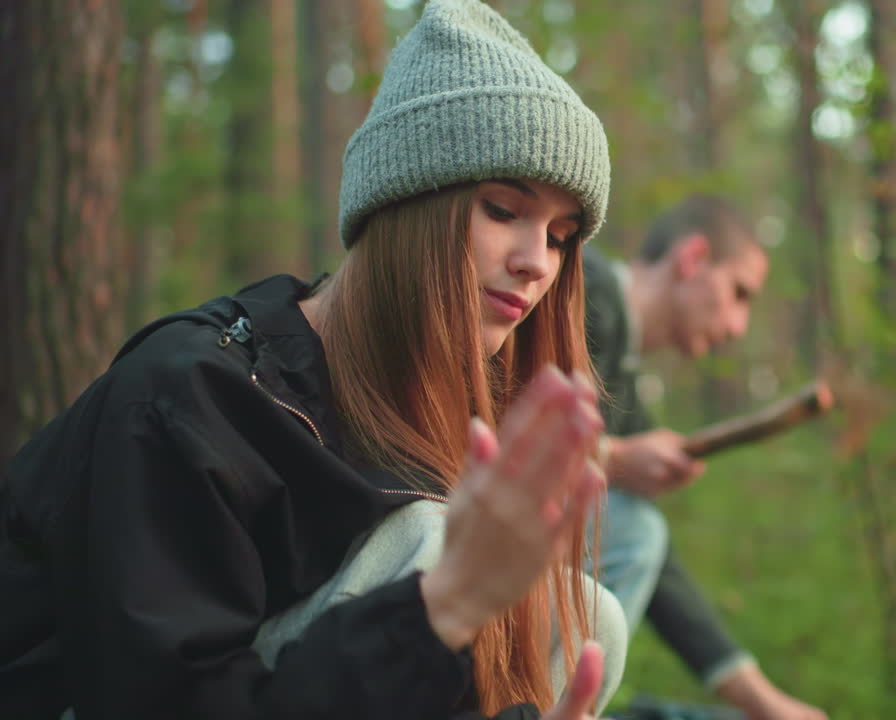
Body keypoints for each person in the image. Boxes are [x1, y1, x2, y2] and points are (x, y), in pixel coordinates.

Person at [0, 1, 624, 717]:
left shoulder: (449, 411)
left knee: (579, 614)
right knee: (431, 543)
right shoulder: (187, 398)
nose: (536, 263)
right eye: (503, 210)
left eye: (559, 236)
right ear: (405, 205)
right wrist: (439, 606)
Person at [584, 196, 827, 720]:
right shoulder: (582, 283)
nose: (739, 326)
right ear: (692, 259)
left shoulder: (623, 381)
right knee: (635, 529)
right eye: (740, 293)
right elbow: (477, 426)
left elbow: (656, 561)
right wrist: (611, 457)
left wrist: (763, 702)